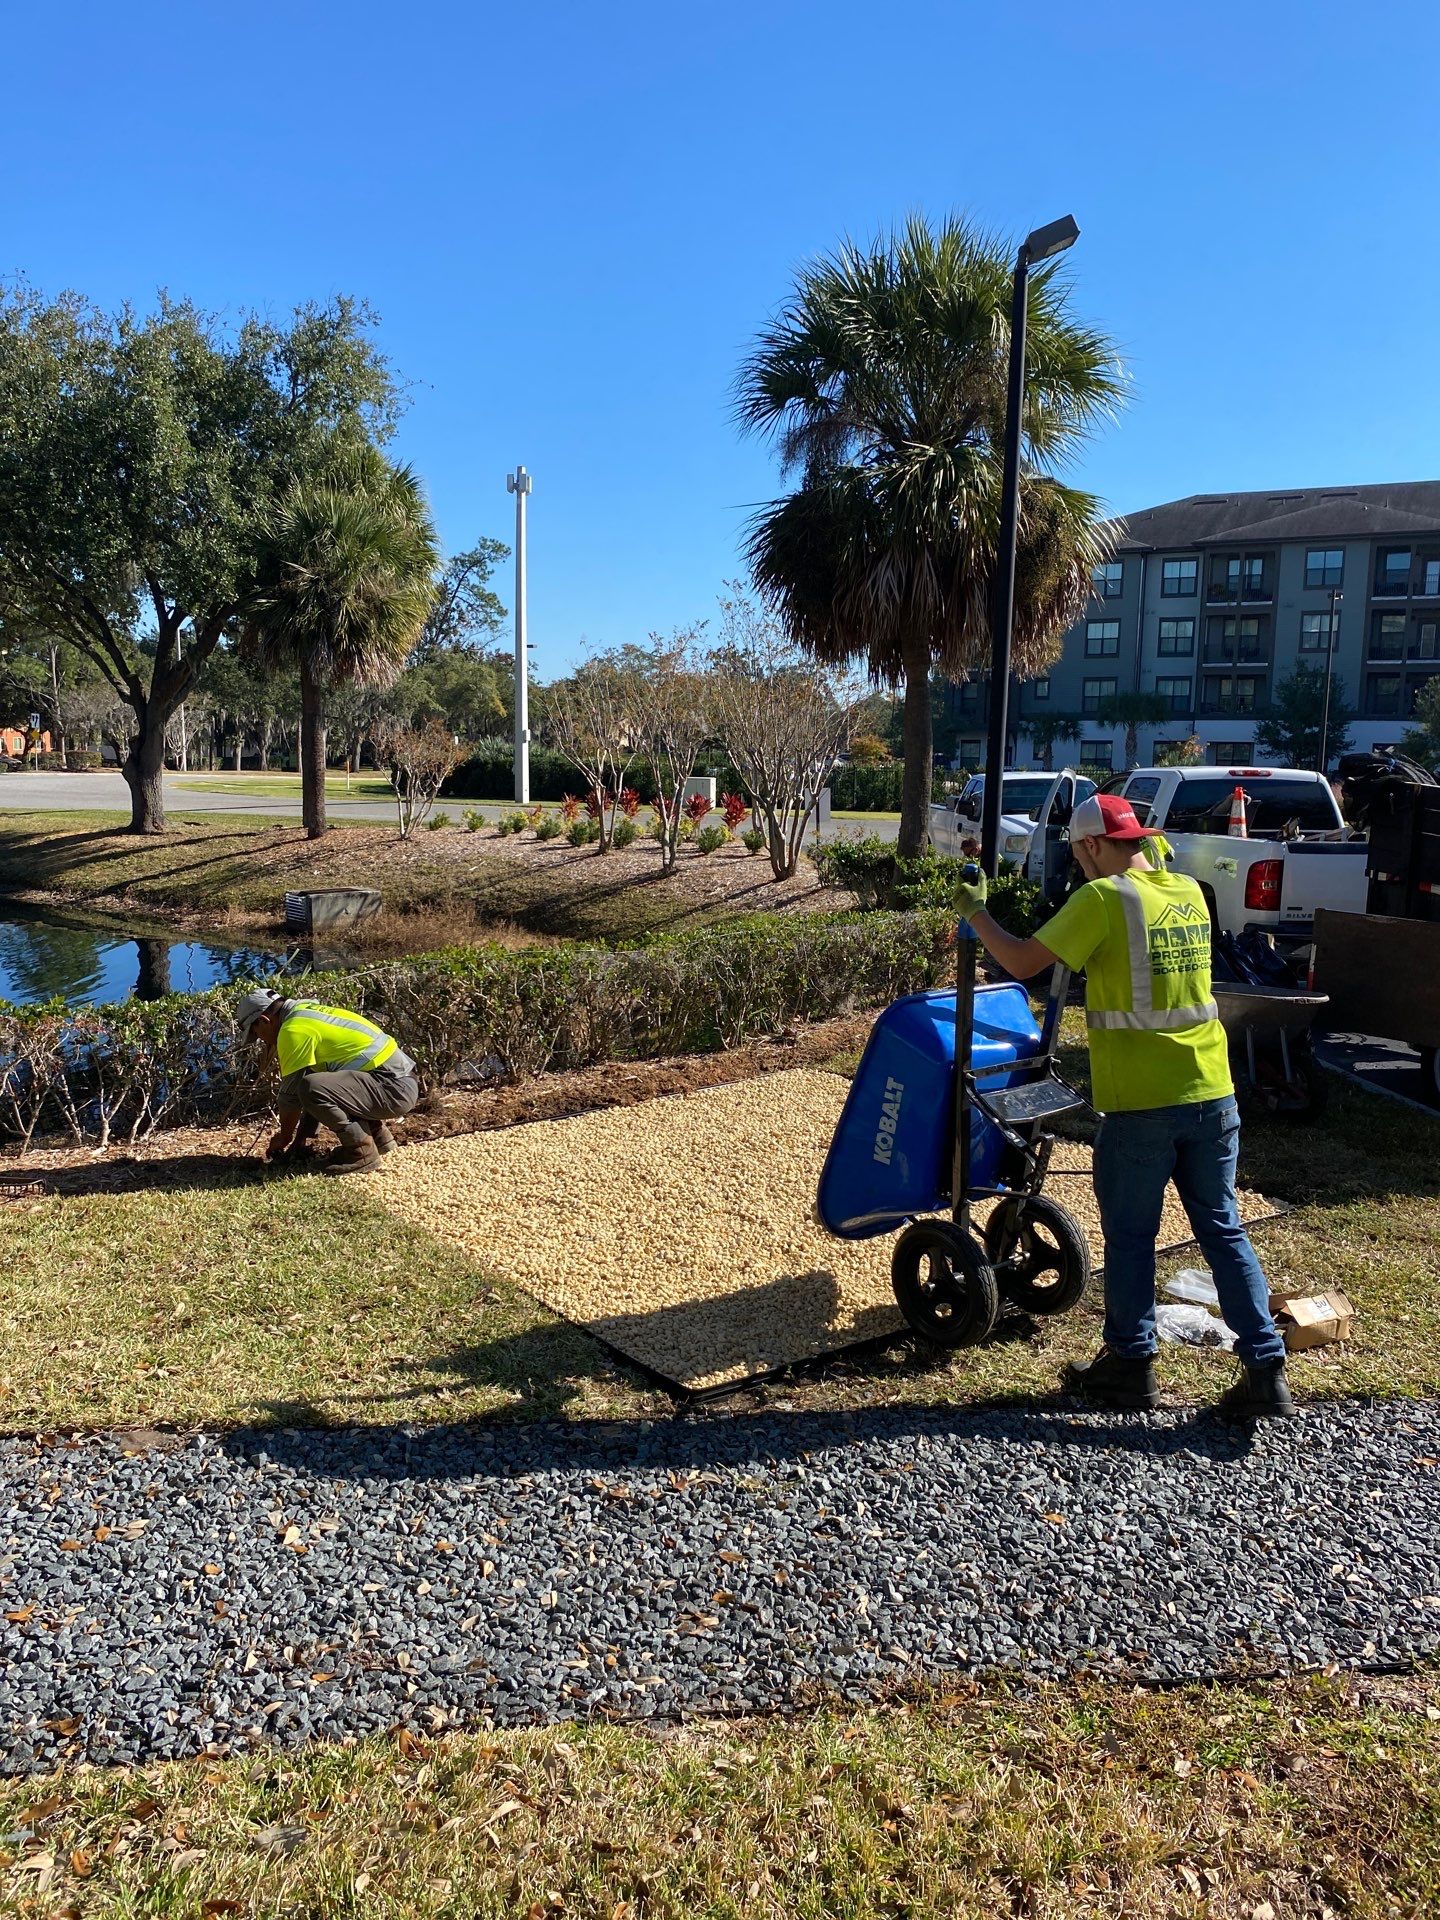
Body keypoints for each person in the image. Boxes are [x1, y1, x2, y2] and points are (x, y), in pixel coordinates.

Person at [954, 791, 1292, 1419]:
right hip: (1212, 1091)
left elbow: (1022, 962)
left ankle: (1131, 1366)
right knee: (1222, 1228)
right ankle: (1266, 1370)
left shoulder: (1103, 899)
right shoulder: (1187, 891)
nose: (1077, 866)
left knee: (1132, 1237)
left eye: (1078, 854)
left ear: (1091, 845)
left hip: (1143, 1103)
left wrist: (976, 912)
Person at [233, 989, 419, 1176]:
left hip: (393, 1089)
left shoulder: (293, 1030)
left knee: (311, 1086)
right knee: (319, 1082)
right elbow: (324, 1088)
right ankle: (380, 1140)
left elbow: (291, 1097)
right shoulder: (305, 1011)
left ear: (264, 1021)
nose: (261, 1039)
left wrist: (284, 1137)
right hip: (400, 1081)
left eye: (255, 1033)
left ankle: (360, 1153)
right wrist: (301, 1140)